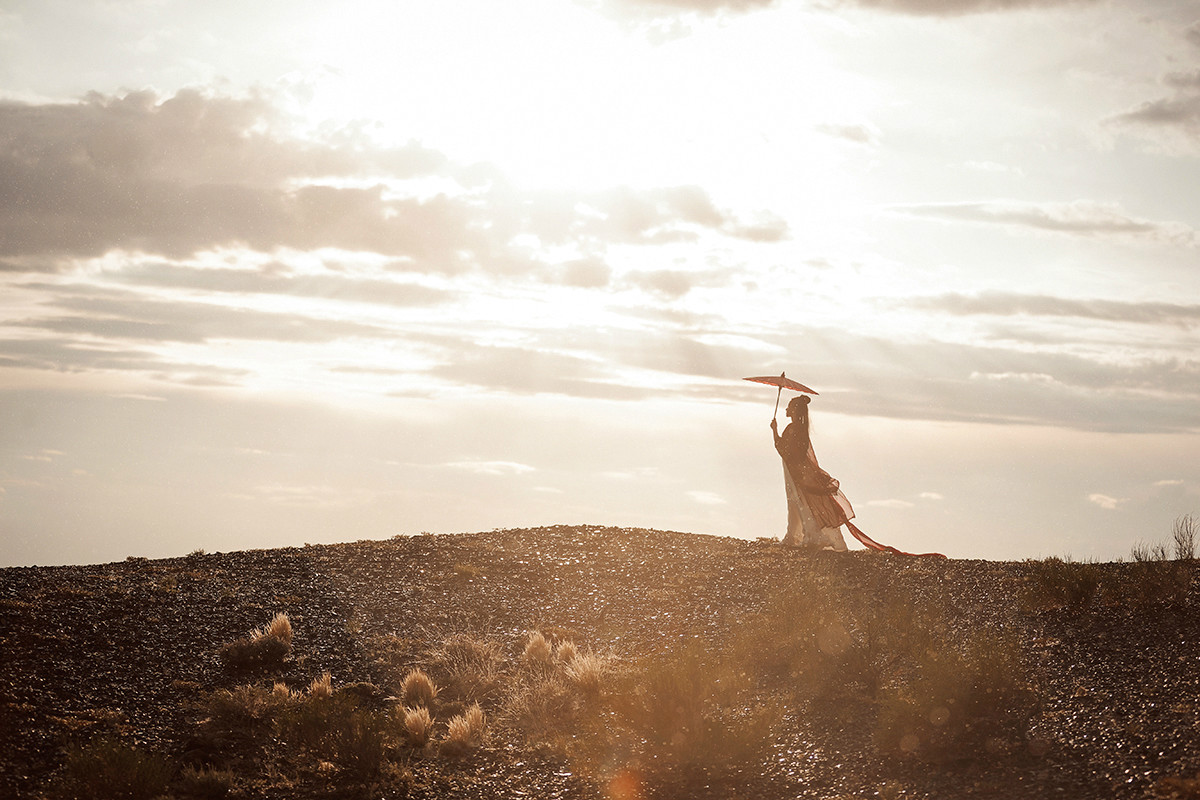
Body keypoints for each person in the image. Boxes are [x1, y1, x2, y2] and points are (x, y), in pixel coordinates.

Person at [770, 395, 852, 550]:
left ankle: (803, 535)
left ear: (794, 410)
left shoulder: (792, 429)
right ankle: (798, 534)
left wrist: (774, 431)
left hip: (793, 471)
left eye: (789, 407)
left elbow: (782, 449)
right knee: (799, 501)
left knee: (797, 501)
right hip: (798, 470)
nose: (786, 409)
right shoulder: (800, 430)